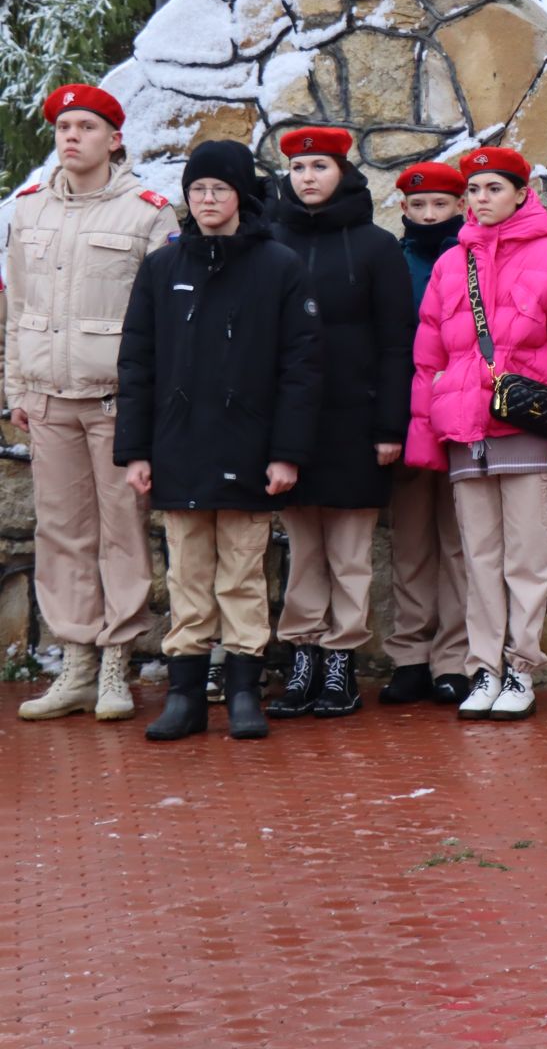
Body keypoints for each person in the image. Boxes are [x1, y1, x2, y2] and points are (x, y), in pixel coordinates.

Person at [114, 140, 323, 742]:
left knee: (241, 575)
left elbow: (301, 368)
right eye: (198, 190)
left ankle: (242, 693)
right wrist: (135, 450)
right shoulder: (162, 267)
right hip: (178, 447)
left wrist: (287, 453)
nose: (207, 200)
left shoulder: (279, 266)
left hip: (251, 449)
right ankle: (183, 696)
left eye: (219, 190)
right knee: (187, 575)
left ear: (240, 196)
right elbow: (137, 362)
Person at [405, 147, 547, 723]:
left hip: (525, 433)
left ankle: (520, 668)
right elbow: (428, 359)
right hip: (466, 437)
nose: (481, 199)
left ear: (522, 193)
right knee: (479, 561)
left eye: (494, 188)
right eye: (474, 190)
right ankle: (484, 669)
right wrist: (426, 437)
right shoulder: (451, 265)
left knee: (525, 560)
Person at [9, 85, 174, 724]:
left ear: (115, 138)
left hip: (114, 402)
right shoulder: (28, 211)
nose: (70, 136)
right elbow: (16, 308)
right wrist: (17, 385)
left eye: (85, 126)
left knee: (123, 532)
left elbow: (164, 322)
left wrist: (149, 402)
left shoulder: (148, 213)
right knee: (61, 533)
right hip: (48, 401)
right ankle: (76, 659)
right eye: (63, 126)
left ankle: (116, 661)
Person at [264, 127, 415, 721]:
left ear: (342, 173)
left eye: (319, 167)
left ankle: (341, 663)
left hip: (356, 420)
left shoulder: (377, 247)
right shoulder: (271, 242)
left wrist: (389, 426)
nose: (307, 178)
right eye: (299, 169)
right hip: (291, 423)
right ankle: (302, 654)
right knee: (303, 548)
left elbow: (396, 343)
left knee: (350, 552)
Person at [382, 161, 471, 706]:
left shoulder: (476, 257)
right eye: (420, 206)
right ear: (404, 209)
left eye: (441, 205)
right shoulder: (391, 261)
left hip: (463, 412)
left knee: (460, 542)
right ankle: (409, 656)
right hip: (409, 415)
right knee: (411, 542)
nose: (430, 215)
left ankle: (454, 660)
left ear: (460, 207)